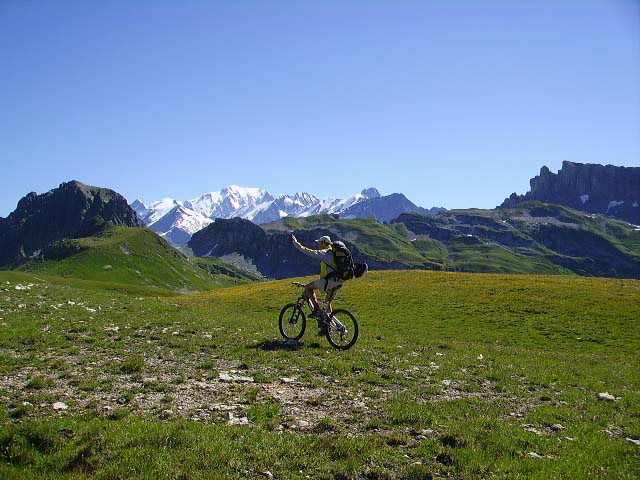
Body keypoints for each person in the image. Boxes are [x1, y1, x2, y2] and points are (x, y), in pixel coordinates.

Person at [291, 234, 344, 327]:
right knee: (327, 306)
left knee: (308, 288)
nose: (318, 245)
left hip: (329, 281)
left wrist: (296, 243)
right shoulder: (334, 252)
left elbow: (309, 251)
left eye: (320, 243)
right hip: (339, 282)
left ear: (324, 243)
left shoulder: (325, 253)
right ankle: (333, 328)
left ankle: (316, 310)